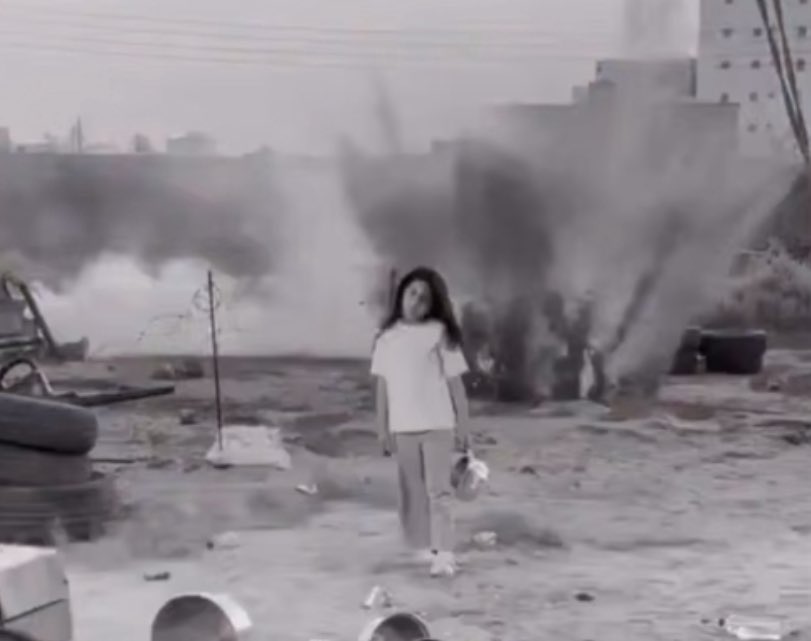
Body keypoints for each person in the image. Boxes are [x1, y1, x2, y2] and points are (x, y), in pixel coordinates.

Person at [370, 266, 471, 578]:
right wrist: (382, 428)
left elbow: (456, 384)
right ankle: (422, 547)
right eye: (412, 293)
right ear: (401, 295)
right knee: (411, 491)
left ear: (433, 304)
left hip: (438, 424)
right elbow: (383, 387)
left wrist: (463, 425)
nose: (416, 301)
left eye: (424, 298)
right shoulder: (387, 338)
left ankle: (445, 553)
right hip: (403, 427)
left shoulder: (440, 334)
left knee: (438, 491)